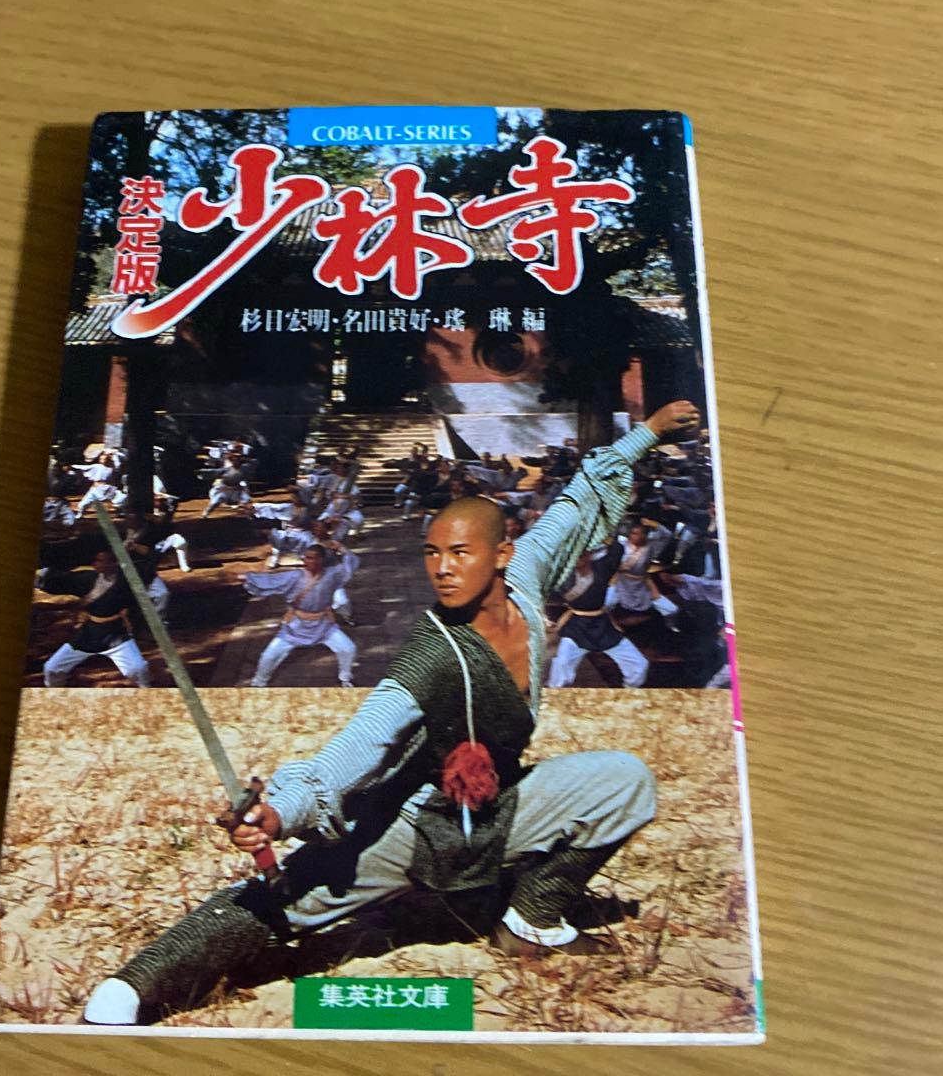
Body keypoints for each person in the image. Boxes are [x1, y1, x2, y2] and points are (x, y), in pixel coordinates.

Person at [83, 401, 699, 1025]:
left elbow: (575, 506)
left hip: (497, 798)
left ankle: (531, 922)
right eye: (431, 553)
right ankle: (136, 985)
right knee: (290, 902)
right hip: (413, 823)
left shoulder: (529, 577)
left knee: (624, 780)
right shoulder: (431, 656)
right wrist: (280, 811)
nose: (443, 569)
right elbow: (359, 746)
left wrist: (646, 434)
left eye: (459, 552)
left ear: (503, 554)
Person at [243, 542, 359, 688]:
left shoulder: (332, 574)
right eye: (306, 557)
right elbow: (270, 580)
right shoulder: (295, 576)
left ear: (321, 560)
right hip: (295, 626)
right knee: (269, 655)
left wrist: (342, 548)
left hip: (323, 625)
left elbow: (350, 563)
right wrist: (247, 577)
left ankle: (345, 678)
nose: (306, 561)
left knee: (348, 649)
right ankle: (259, 681)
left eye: (311, 558)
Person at [37, 550, 150, 687]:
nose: (95, 564)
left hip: (115, 634)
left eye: (101, 561)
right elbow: (65, 581)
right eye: (96, 560)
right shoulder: (88, 577)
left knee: (138, 668)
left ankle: (146, 691)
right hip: (88, 635)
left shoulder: (125, 581)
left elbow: (143, 582)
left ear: (113, 563)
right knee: (51, 668)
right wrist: (45, 576)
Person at [545, 543, 650, 689]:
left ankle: (629, 692)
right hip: (576, 627)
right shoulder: (563, 577)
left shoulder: (602, 568)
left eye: (581, 555)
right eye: (573, 555)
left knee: (639, 664)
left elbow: (617, 549)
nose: (577, 559)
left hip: (602, 626)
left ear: (589, 555)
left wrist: (605, 536)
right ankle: (555, 696)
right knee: (561, 666)